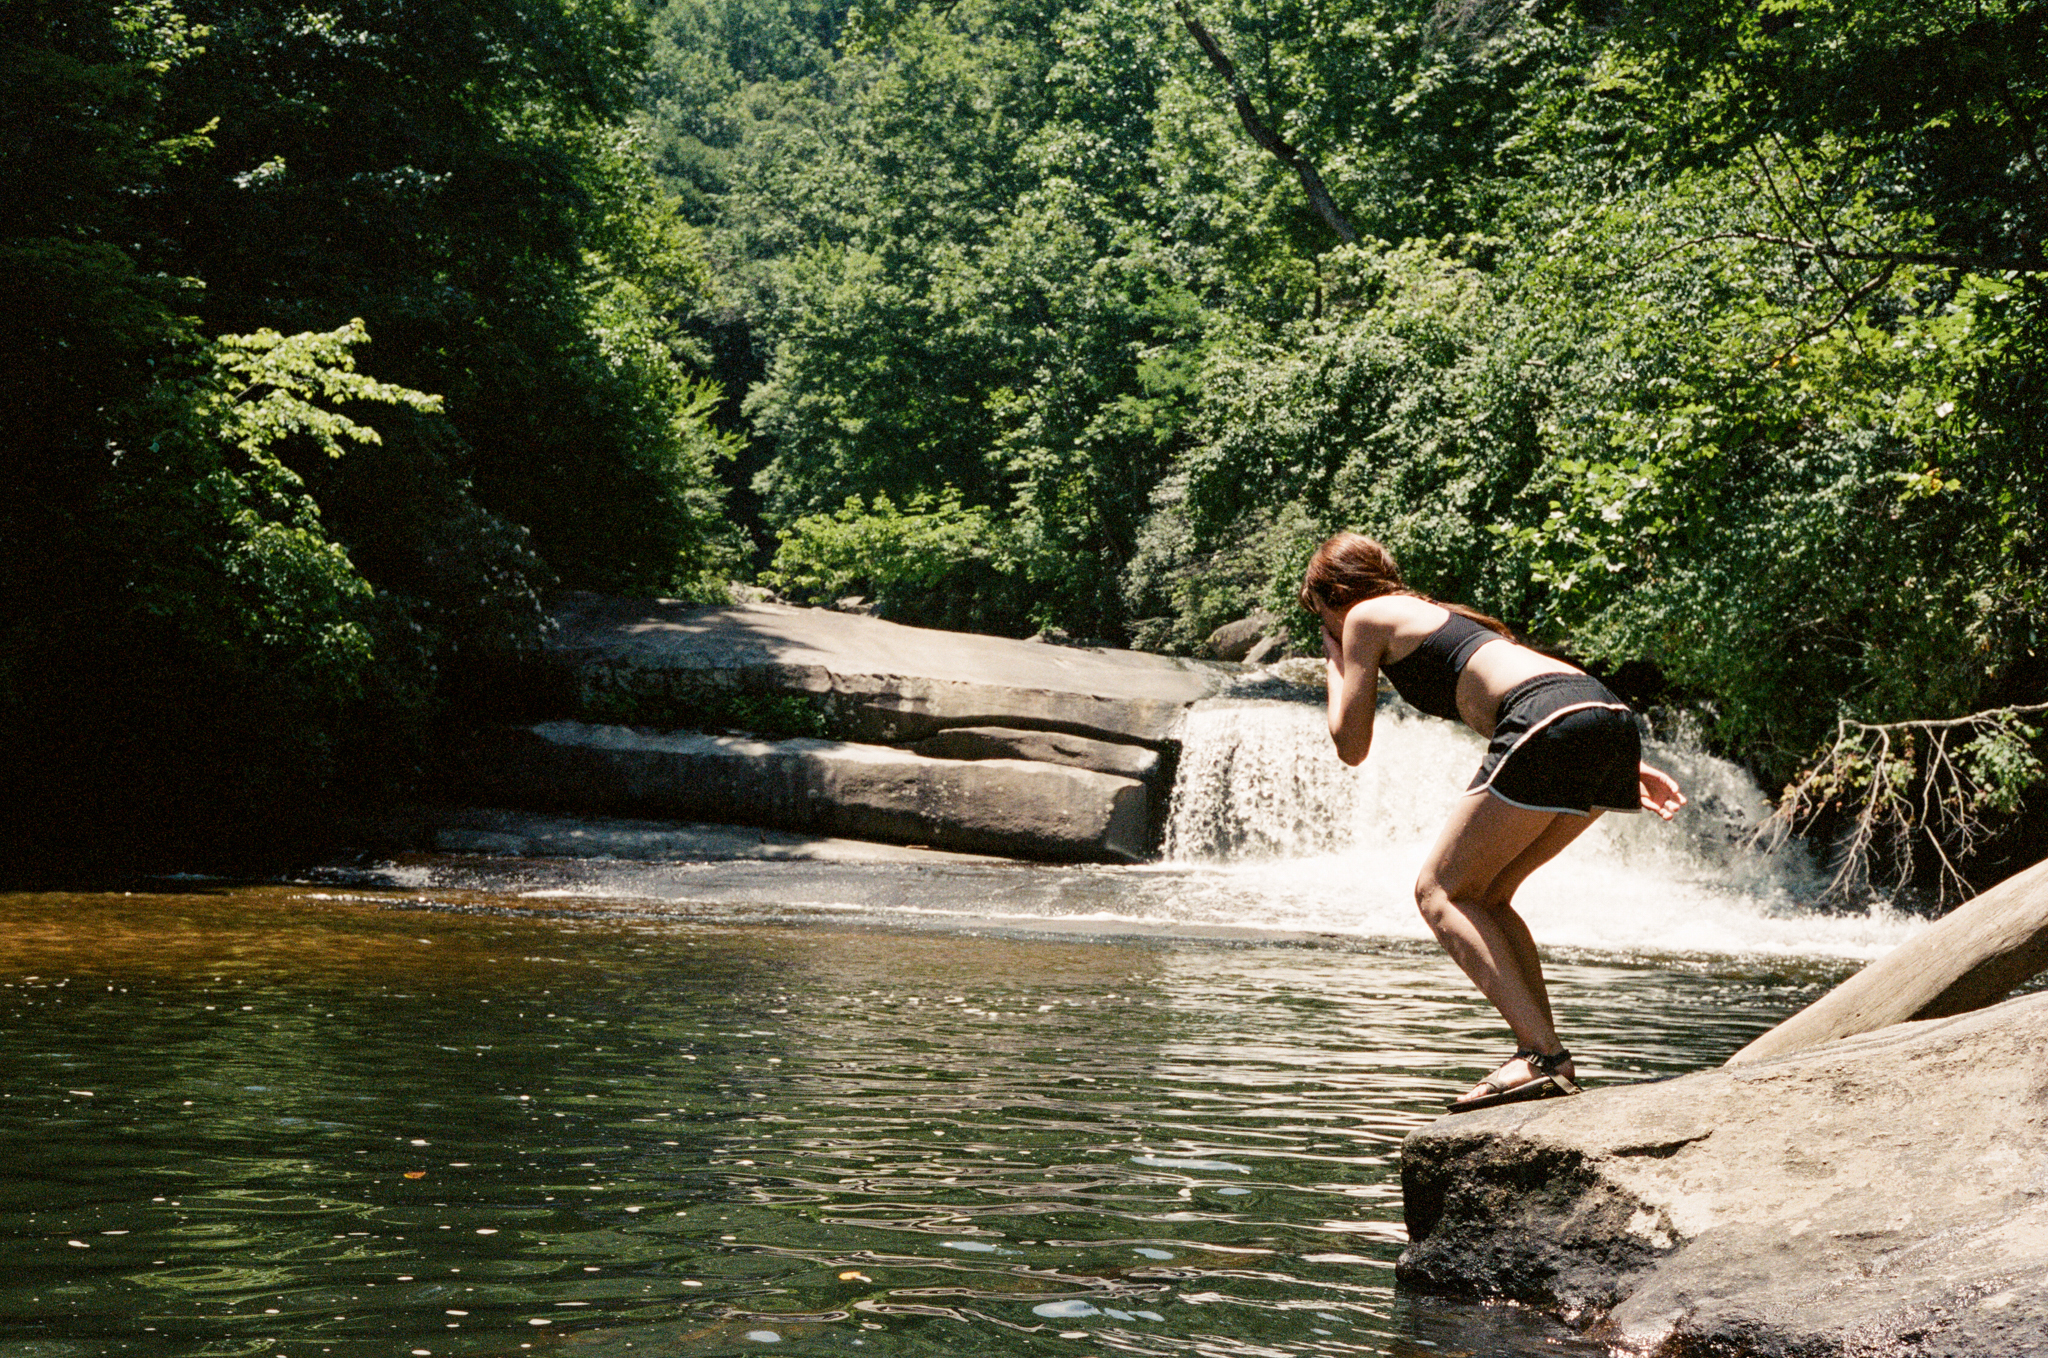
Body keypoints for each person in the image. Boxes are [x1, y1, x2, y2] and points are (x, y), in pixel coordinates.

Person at [1298, 532, 1685, 1113]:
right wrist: (1618, 758)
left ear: (1330, 596)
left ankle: (1541, 1055)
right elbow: (1541, 681)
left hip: (1549, 718)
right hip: (1603, 715)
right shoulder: (1435, 611)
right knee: (1491, 896)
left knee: (1438, 892)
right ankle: (1550, 1060)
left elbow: (1350, 744)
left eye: (1318, 612)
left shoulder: (1363, 618)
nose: (1324, 623)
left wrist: (1333, 656)